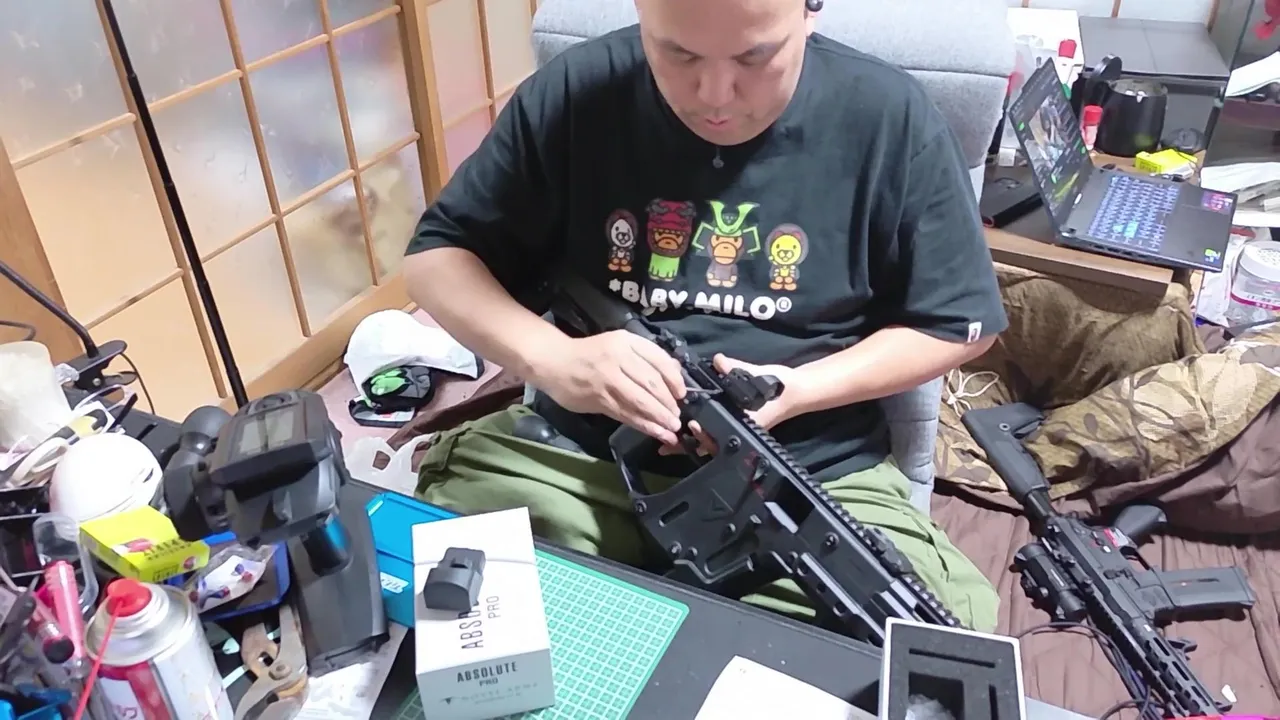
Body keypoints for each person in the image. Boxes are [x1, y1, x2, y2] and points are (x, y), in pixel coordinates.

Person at [401, 0, 1007, 632]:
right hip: (582, 462)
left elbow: (960, 324)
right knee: (452, 601)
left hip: (800, 477)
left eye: (755, 57)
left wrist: (797, 391)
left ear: (810, 12)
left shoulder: (888, 117)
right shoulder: (576, 91)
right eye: (679, 54)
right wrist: (555, 360)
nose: (714, 96)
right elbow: (435, 259)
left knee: (918, 638)